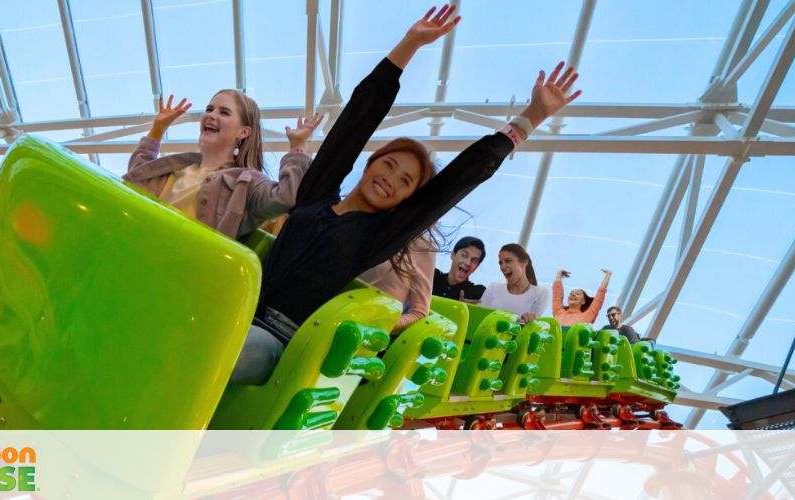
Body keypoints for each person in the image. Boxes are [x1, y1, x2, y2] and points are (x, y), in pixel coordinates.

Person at [229, 4, 583, 385]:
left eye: (405, 183)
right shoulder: (316, 195)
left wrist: (530, 118)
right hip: (237, 309)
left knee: (227, 348)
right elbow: (356, 119)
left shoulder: (375, 236)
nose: (390, 180)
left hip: (276, 340)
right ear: (371, 162)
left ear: (405, 201)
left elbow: (458, 180)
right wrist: (410, 44)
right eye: (389, 165)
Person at [124, 90, 322, 239]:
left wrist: (297, 146)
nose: (211, 115)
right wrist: (157, 129)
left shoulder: (246, 182)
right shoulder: (176, 166)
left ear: (244, 132)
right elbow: (137, 176)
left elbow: (285, 198)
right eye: (209, 109)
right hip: (140, 244)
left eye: (224, 112)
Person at [359, 235, 437, 332]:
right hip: (339, 307)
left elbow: (419, 313)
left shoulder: (424, 247)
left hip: (369, 331)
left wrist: (382, 325)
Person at [480, 243, 549, 323]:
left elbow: (530, 325)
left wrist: (531, 319)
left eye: (508, 261)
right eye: (500, 263)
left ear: (524, 262)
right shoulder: (493, 288)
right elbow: (479, 316)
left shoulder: (541, 293)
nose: (502, 267)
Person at [432, 236, 486, 302]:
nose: (468, 263)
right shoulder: (432, 277)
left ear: (477, 267)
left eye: (474, 261)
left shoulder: (477, 293)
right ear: (452, 255)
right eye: (464, 255)